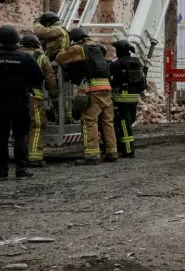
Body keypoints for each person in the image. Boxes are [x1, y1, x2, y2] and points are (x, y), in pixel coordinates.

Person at [0, 25, 44, 179]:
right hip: (21, 103)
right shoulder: (26, 57)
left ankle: (2, 171)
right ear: (17, 38)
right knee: (21, 137)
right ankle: (21, 170)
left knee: (1, 138)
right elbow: (39, 78)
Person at [57, 28, 117, 165]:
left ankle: (92, 155)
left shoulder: (78, 49)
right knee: (107, 121)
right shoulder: (99, 48)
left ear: (74, 39)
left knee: (89, 121)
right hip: (106, 87)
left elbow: (60, 59)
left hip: (92, 89)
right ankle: (112, 152)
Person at [21, 34, 59, 168]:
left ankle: (21, 155)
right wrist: (54, 94)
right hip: (33, 97)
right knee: (37, 126)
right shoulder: (41, 58)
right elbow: (50, 77)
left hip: (12, 97)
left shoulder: (14, 56)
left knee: (20, 127)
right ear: (36, 45)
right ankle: (35, 157)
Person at [109, 40, 146, 158]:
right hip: (134, 97)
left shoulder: (115, 64)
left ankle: (129, 150)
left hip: (121, 98)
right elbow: (142, 82)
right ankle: (123, 147)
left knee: (124, 124)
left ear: (119, 50)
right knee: (129, 122)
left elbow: (112, 82)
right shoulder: (136, 62)